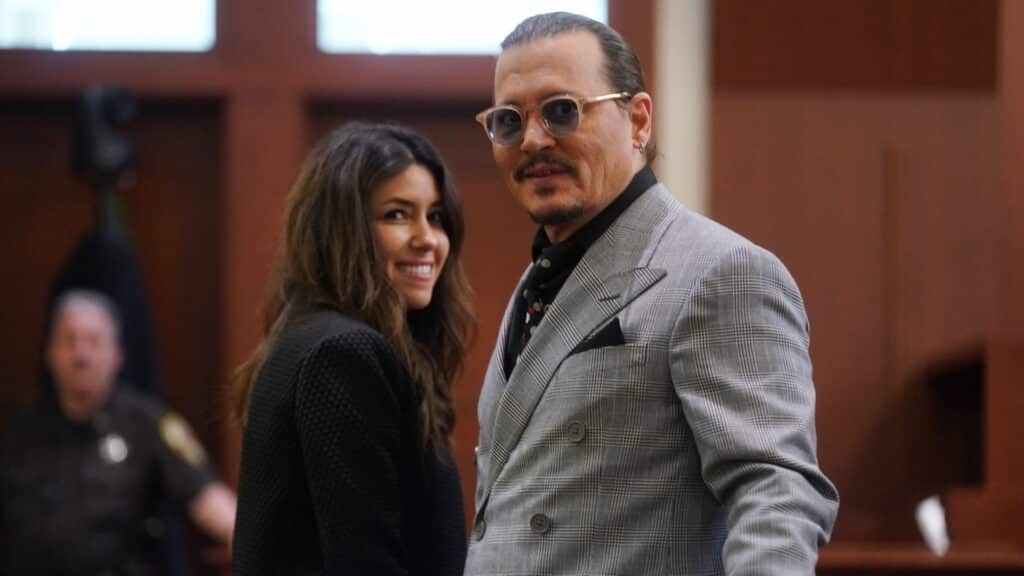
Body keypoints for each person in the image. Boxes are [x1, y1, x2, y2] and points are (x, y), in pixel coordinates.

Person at [466, 12, 839, 575]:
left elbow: (776, 491)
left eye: (562, 110)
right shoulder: (537, 279)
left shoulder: (721, 271)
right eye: (508, 122)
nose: (534, 140)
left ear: (638, 121)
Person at [231, 122, 475, 576]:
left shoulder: (312, 337)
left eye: (436, 216)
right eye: (397, 215)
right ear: (342, 231)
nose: (427, 238)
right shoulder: (343, 353)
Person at [0, 289, 237, 576]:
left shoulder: (148, 423)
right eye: (69, 340)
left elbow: (205, 495)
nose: (81, 354)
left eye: (94, 341)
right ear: (50, 353)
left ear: (117, 355)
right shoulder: (17, 431)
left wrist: (244, 539)